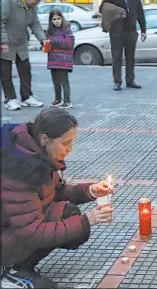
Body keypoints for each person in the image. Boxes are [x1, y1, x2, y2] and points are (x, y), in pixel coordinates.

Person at [1, 108, 115, 288]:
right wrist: (88, 220)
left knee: (68, 212)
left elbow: (55, 193)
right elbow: (33, 232)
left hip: (14, 228)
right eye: (65, 143)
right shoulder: (19, 170)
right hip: (7, 236)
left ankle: (20, 265)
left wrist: (91, 191)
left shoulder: (35, 153)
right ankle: (13, 272)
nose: (69, 150)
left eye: (72, 143)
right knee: (71, 218)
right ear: (45, 138)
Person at [1, 0, 47, 111]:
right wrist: (3, 41)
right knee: (6, 73)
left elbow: (35, 24)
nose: (38, 2)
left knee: (25, 71)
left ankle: (26, 97)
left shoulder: (32, 6)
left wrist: (43, 39)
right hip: (6, 42)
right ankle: (10, 99)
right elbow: (1, 20)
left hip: (21, 42)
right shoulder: (10, 0)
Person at [100, 0, 146, 91]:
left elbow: (140, 13)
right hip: (116, 31)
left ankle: (130, 81)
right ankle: (117, 82)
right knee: (117, 57)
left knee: (130, 57)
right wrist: (117, 12)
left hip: (131, 30)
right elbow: (102, 9)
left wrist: (143, 30)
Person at [45, 9, 74, 109]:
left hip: (63, 60)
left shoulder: (66, 28)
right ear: (51, 20)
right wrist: (45, 46)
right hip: (53, 60)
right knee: (55, 81)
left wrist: (54, 40)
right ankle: (58, 99)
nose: (56, 21)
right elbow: (47, 46)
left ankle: (67, 100)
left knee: (64, 82)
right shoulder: (50, 31)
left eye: (58, 18)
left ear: (62, 18)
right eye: (54, 19)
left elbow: (69, 42)